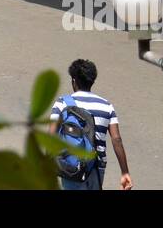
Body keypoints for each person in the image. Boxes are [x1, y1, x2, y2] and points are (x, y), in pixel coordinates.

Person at [48, 59, 132, 191]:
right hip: (96, 167)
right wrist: (125, 172)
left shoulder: (62, 103)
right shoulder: (106, 105)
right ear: (92, 81)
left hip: (71, 165)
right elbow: (117, 140)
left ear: (73, 81)